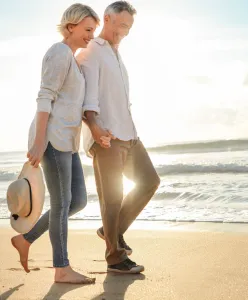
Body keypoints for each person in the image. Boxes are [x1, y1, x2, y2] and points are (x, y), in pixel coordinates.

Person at [11, 3, 99, 284]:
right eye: (87, 29)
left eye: (93, 31)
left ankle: (25, 239)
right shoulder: (59, 52)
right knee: (62, 204)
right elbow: (44, 97)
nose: (90, 36)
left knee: (78, 201)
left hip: (67, 141)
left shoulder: (73, 59)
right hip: (51, 139)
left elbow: (71, 104)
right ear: (70, 26)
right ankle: (61, 269)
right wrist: (38, 142)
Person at [77, 1, 160, 274]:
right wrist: (95, 127)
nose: (124, 31)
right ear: (107, 19)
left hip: (129, 133)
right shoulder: (92, 50)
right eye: (122, 25)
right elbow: (87, 96)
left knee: (150, 181)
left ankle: (111, 231)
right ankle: (115, 258)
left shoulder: (116, 53)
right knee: (112, 197)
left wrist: (133, 133)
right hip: (107, 136)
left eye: (129, 27)